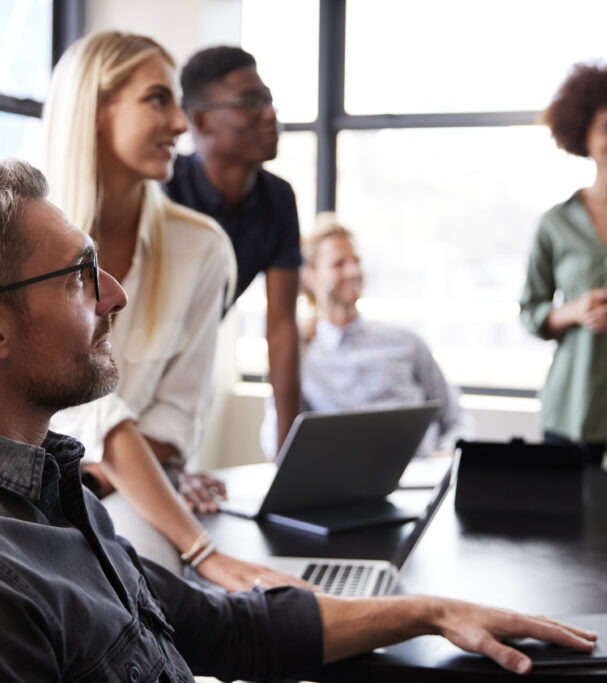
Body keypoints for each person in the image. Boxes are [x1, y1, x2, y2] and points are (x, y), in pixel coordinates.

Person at [0, 158, 597, 680]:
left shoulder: (73, 506)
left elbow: (230, 628)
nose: (115, 294)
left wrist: (430, 611)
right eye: (80, 273)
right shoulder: (13, 586)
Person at [41, 30, 308, 591]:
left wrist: (115, 469)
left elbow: (176, 419)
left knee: (154, 580)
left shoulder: (203, 248)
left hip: (122, 486)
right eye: (157, 100)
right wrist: (205, 549)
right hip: (25, 472)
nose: (181, 125)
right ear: (95, 107)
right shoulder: (19, 235)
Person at [165, 46, 301, 456]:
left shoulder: (278, 199)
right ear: (202, 120)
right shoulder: (164, 191)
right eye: (250, 103)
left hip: (193, 367)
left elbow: (281, 329)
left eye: (269, 99)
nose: (270, 114)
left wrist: (286, 456)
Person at [261, 214, 467, 459]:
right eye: (339, 264)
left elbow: (456, 419)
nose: (353, 271)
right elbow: (276, 443)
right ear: (310, 275)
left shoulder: (406, 343)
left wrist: (448, 453)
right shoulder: (301, 355)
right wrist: (291, 351)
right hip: (340, 484)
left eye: (356, 261)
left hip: (418, 476)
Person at [520, 63, 607, 462]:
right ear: (583, 137)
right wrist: (572, 311)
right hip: (573, 410)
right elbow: (531, 312)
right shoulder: (555, 224)